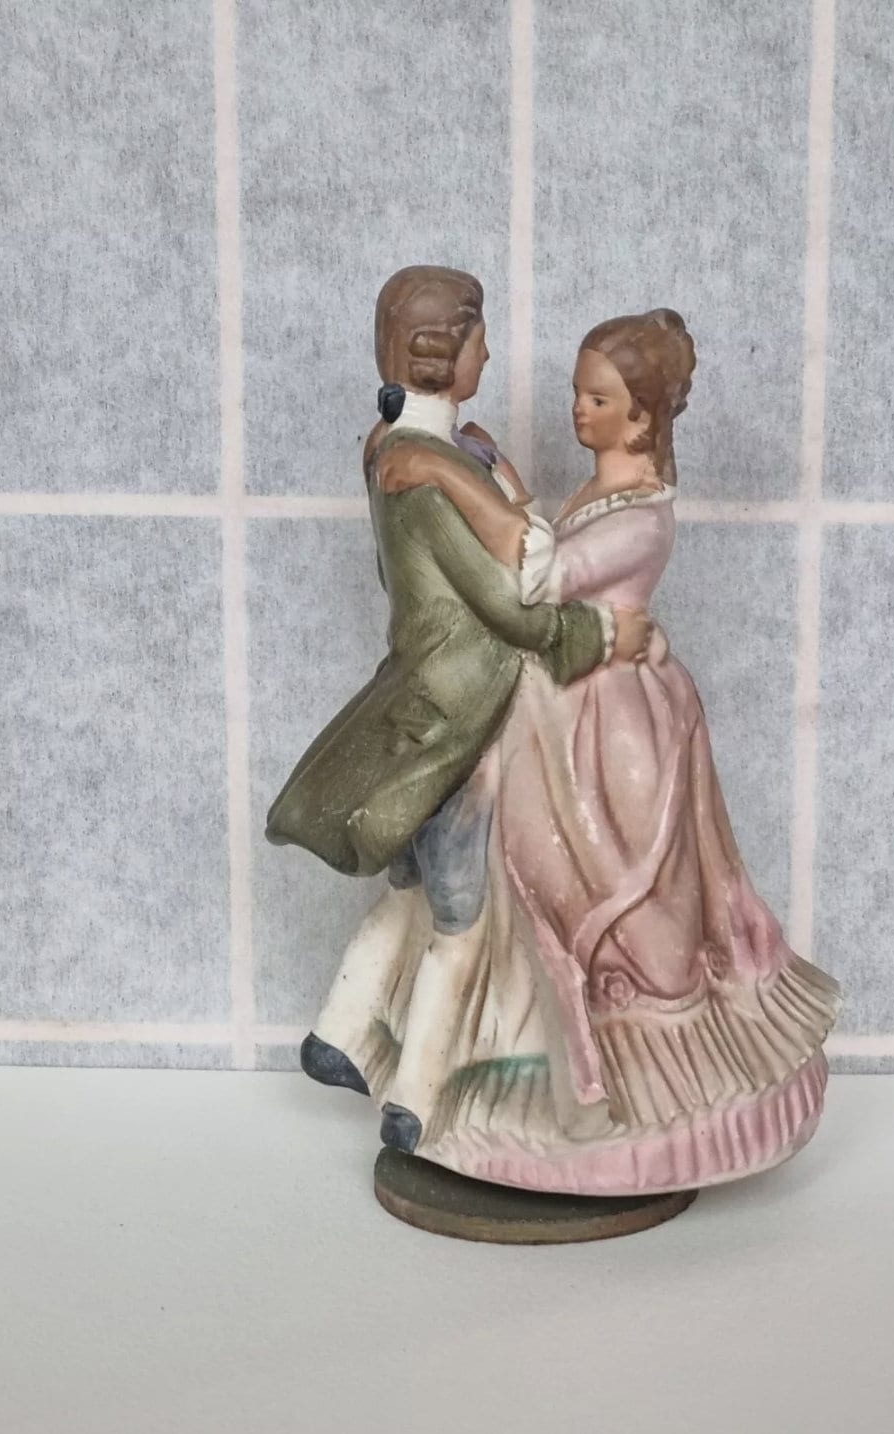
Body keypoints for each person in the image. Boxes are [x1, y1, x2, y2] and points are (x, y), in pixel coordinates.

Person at [375, 308, 842, 1194]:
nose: (577, 411)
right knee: (539, 878)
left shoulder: (642, 519)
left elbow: (540, 579)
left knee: (617, 889)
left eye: (598, 400)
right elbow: (551, 545)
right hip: (564, 710)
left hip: (613, 729)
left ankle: (650, 1084)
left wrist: (453, 475)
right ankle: (544, 1057)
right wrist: (508, 481)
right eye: (576, 393)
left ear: (642, 418)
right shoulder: (603, 492)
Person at [265, 267, 650, 1154]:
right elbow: (510, 610)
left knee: (410, 889)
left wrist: (489, 470)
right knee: (460, 918)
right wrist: (600, 632)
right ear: (442, 353)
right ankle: (413, 1099)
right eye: (479, 340)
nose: (488, 355)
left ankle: (338, 1031)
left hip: (414, 695)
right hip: (460, 715)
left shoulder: (395, 444)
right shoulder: (425, 475)